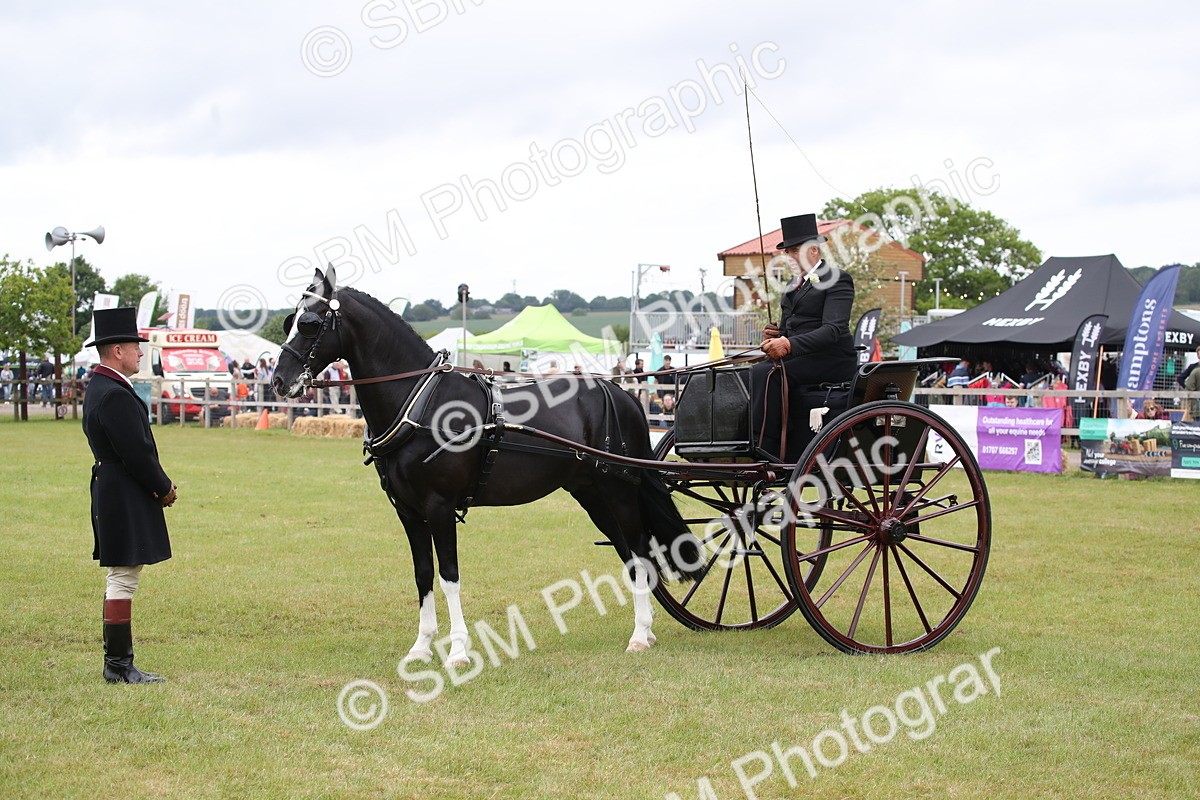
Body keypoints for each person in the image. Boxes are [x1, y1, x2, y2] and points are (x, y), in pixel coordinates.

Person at [81, 308, 177, 684]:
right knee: (122, 576)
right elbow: (136, 453)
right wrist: (163, 487)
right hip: (123, 492)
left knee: (123, 575)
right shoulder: (114, 394)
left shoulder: (103, 387)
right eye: (135, 346)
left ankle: (118, 664)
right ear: (117, 350)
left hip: (115, 489)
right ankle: (118, 665)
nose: (140, 352)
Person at [750, 213, 856, 459]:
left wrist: (787, 344)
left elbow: (833, 330)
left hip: (830, 359)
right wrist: (776, 335)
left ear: (814, 251)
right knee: (747, 373)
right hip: (800, 358)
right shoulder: (791, 287)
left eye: (795, 250)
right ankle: (745, 436)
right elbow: (790, 329)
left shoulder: (837, 280)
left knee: (767, 374)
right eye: (788, 251)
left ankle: (765, 444)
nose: (789, 257)